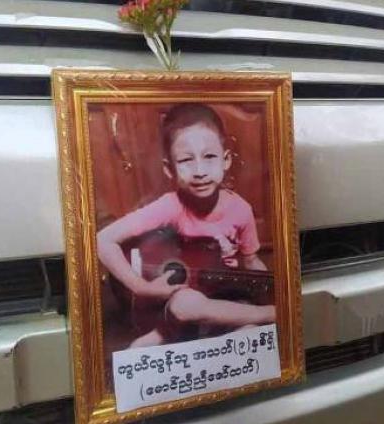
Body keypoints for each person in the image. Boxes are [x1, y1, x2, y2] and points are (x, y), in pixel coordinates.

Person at [97, 103, 276, 348]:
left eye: (209, 157)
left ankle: (168, 337)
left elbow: (251, 260)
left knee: (251, 335)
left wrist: (272, 288)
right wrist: (142, 288)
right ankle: (267, 315)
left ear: (225, 160)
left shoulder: (241, 210)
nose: (200, 171)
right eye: (186, 160)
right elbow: (103, 240)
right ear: (169, 169)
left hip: (227, 301)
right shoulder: (171, 206)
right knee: (185, 304)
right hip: (183, 304)